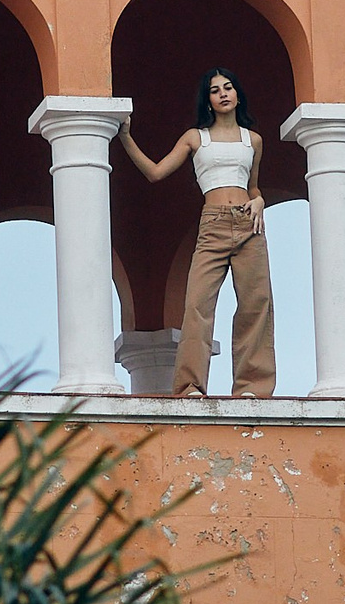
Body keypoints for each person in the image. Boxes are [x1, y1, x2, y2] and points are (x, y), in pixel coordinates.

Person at [117, 68, 277, 399]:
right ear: (207, 99)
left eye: (228, 87)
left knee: (255, 304)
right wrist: (125, 137)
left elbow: (254, 186)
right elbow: (156, 172)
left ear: (236, 94)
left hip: (250, 223)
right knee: (197, 306)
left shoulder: (253, 140)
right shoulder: (195, 137)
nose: (223, 94)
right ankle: (190, 387)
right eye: (215, 90)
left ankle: (252, 389)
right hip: (214, 223)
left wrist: (260, 200)